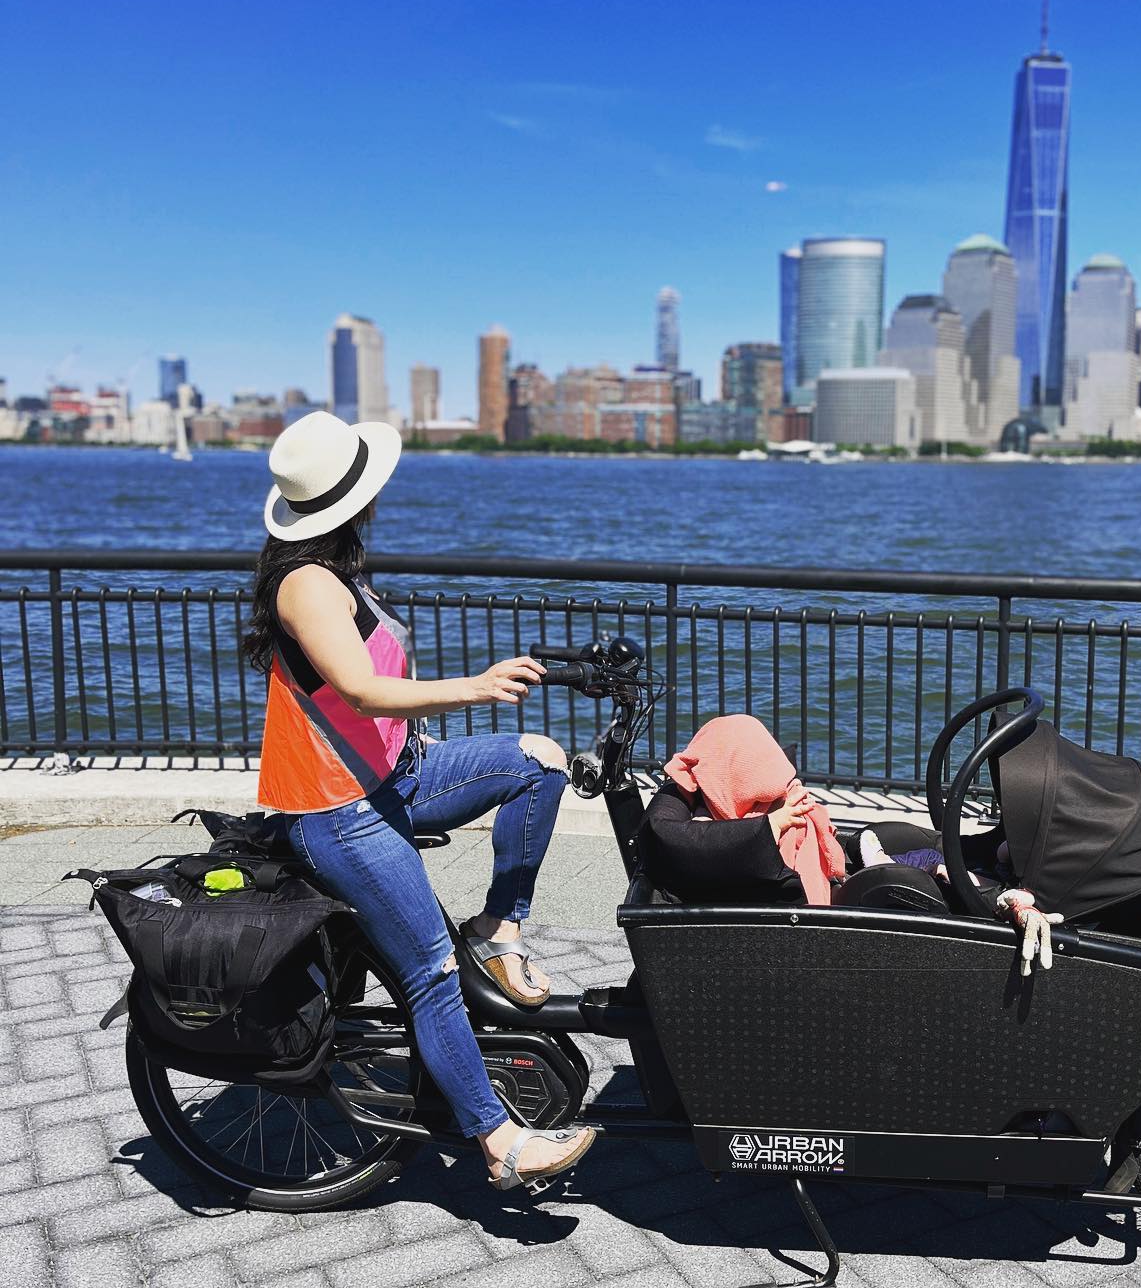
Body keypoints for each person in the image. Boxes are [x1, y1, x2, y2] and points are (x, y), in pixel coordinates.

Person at [244, 410, 594, 1190]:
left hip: (394, 776)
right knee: (431, 972)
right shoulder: (305, 584)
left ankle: (500, 928)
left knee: (540, 762)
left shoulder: (335, 571)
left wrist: (419, 742)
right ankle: (500, 1141)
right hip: (342, 812)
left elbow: (369, 707)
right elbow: (362, 691)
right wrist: (476, 686)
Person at [642, 714, 1063, 972]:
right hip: (831, 910)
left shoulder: (753, 820)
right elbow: (678, 838)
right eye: (768, 794)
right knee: (921, 867)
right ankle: (996, 895)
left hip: (840, 874)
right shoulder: (733, 834)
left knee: (904, 841)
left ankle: (987, 861)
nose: (788, 796)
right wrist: (772, 823)